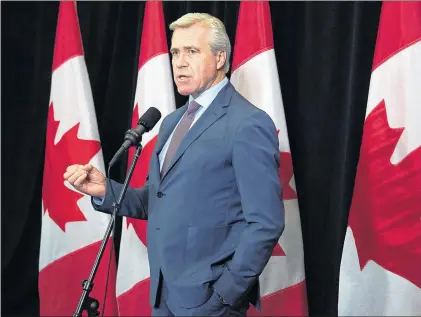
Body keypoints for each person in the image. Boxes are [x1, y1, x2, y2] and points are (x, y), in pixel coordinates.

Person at [64, 13, 284, 317]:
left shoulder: (248, 124)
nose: (179, 62)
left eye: (192, 51)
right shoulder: (171, 122)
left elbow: (266, 223)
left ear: (220, 58)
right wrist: (105, 190)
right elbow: (159, 200)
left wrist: (225, 295)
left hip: (211, 302)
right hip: (163, 295)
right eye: (175, 52)